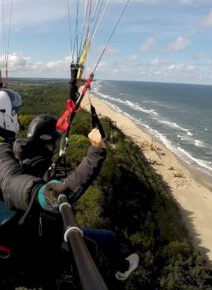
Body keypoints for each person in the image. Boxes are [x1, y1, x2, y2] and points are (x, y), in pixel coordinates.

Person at [0, 89, 111, 286]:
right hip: (30, 252)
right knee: (98, 246)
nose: (16, 118)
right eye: (13, 113)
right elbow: (12, 183)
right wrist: (43, 193)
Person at [14, 113, 140, 281]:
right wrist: (96, 153)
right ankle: (122, 269)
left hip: (32, 235)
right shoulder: (37, 166)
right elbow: (61, 193)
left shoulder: (21, 158)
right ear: (48, 141)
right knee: (108, 238)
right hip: (48, 239)